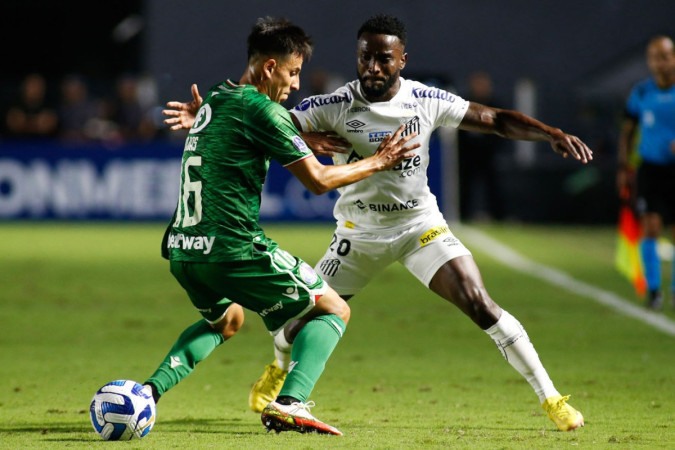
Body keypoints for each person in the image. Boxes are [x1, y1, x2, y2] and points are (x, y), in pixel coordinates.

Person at [165, 14, 591, 432]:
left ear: (402, 60)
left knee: (480, 302)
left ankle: (551, 398)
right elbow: (264, 123)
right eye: (365, 58)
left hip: (419, 228)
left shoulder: (426, 100)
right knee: (298, 324)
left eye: (383, 59)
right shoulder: (332, 105)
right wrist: (207, 115)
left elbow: (495, 119)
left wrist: (549, 132)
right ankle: (278, 369)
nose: (372, 68)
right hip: (357, 236)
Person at [145, 16, 419, 436]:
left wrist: (209, 117)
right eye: (292, 73)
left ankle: (147, 393)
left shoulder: (219, 98)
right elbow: (318, 181)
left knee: (228, 321)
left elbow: (242, 128)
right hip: (231, 250)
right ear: (269, 67)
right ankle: (291, 403)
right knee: (333, 308)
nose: (294, 86)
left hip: (184, 251)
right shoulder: (261, 108)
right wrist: (379, 161)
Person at [617, 35, 675, 311]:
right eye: (654, 57)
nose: (660, 63)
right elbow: (627, 132)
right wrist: (623, 167)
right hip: (650, 168)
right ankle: (654, 290)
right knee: (650, 226)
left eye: (664, 56)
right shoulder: (641, 92)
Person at [457, 70, 506, 222]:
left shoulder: (494, 106)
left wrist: (491, 146)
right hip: (468, 153)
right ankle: (462, 215)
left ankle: (498, 216)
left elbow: (502, 129)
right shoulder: (464, 104)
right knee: (464, 185)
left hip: (487, 153)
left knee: (492, 185)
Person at [5, 73, 58, 139]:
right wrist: (37, 123)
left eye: (38, 86)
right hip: (16, 144)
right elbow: (14, 124)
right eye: (32, 85)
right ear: (24, 87)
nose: (35, 89)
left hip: (44, 145)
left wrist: (26, 123)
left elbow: (48, 126)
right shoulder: (14, 105)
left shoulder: (50, 106)